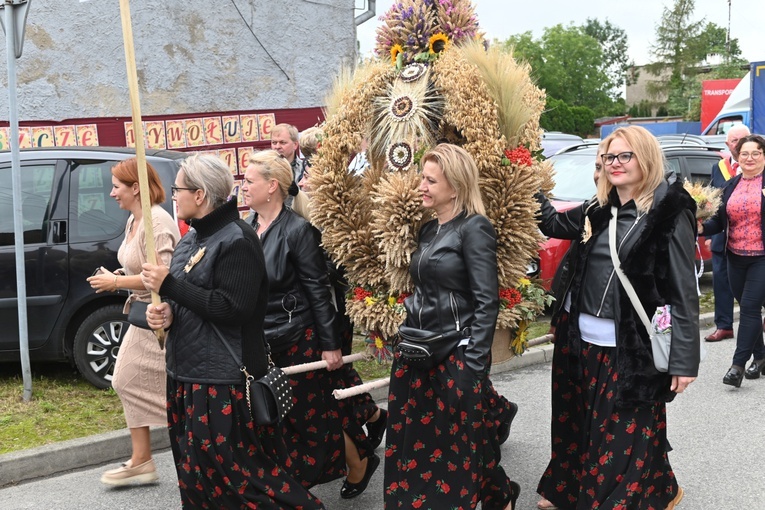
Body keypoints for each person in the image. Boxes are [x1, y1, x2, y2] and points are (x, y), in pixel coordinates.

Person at [140, 154, 324, 509]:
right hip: (186, 375)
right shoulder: (193, 237)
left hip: (222, 381)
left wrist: (172, 288)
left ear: (200, 195)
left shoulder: (237, 239)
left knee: (243, 480)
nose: (172, 196)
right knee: (197, 478)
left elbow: (232, 308)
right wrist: (166, 314)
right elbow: (192, 302)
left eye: (178, 189)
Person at [536, 126, 699, 509]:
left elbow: (684, 291)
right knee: (585, 425)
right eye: (609, 157)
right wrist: (521, 178)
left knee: (619, 435)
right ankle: (657, 486)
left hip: (632, 349)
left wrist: (684, 360)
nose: (615, 164)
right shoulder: (600, 208)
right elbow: (554, 223)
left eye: (624, 155)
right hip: (582, 341)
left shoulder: (669, 211)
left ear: (645, 157)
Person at [384, 143, 520, 510]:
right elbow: (426, 287)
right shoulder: (429, 230)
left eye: (431, 180)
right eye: (422, 178)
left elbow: (485, 301)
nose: (422, 186)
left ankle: (494, 495)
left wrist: (473, 368)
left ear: (456, 186)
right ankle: (496, 494)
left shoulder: (475, 228)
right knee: (422, 443)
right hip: (419, 351)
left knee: (458, 445)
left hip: (455, 354)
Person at [242, 149, 381, 497]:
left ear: (272, 186)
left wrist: (331, 344)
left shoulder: (298, 231)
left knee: (312, 416)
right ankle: (325, 470)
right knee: (282, 416)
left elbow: (319, 292)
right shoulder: (246, 228)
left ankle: (352, 463)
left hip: (298, 338)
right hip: (263, 341)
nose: (243, 186)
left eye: (249, 181)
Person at [87, 158, 180, 486]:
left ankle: (191, 432)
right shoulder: (134, 221)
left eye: (117, 186)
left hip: (159, 317)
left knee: (131, 380)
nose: (112, 193)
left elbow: (161, 277)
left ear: (136, 188)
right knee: (127, 380)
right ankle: (143, 459)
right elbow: (136, 268)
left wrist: (115, 284)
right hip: (141, 314)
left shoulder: (157, 221)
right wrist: (117, 276)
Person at [700, 133, 765, 387]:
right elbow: (719, 221)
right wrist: (701, 227)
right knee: (747, 307)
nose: (749, 158)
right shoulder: (732, 185)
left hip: (761, 257)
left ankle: (736, 366)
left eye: (755, 153)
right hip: (735, 256)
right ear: (737, 156)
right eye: (744, 153)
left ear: (763, 156)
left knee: (749, 308)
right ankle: (760, 357)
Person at [704, 124, 750, 342]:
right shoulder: (719, 167)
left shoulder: (758, 164)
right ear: (727, 145)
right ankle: (724, 326)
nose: (739, 144)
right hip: (723, 238)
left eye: (744, 139)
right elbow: (713, 203)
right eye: (735, 141)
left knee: (754, 285)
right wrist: (708, 233)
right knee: (721, 283)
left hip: (753, 240)